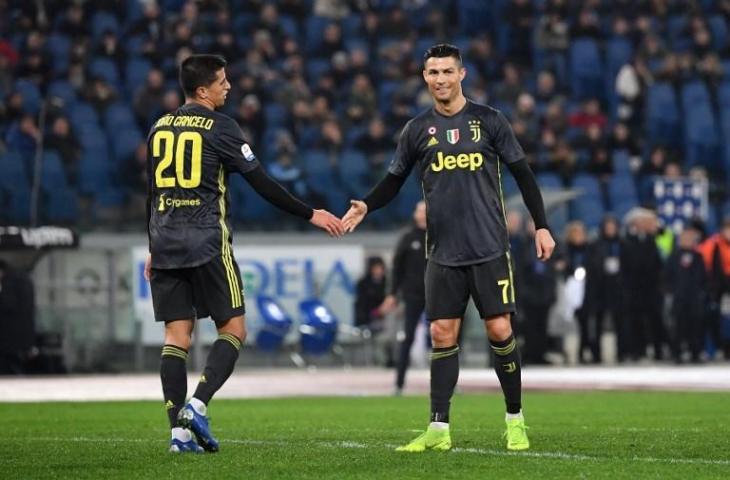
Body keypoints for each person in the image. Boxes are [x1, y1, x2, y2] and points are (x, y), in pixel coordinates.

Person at [342, 44, 555, 452]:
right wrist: (367, 204)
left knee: (500, 329)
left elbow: (524, 175)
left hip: (489, 247)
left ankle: (515, 419)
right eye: (432, 72)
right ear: (424, 77)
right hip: (441, 252)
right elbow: (394, 180)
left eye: (446, 72)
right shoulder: (416, 130)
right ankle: (438, 429)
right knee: (442, 334)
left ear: (462, 74)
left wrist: (541, 225)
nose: (439, 79)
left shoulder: (489, 121)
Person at [145, 54, 343, 454]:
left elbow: (152, 193)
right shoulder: (221, 128)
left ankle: (178, 436)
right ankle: (197, 406)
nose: (228, 87)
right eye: (222, 81)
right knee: (234, 329)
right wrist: (311, 214)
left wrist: (152, 245)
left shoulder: (159, 126)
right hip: (206, 240)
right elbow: (262, 183)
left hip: (164, 240)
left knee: (175, 337)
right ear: (203, 90)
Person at [379, 201, 427, 394]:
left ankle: (449, 383)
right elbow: (397, 269)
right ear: (415, 214)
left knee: (446, 338)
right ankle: (399, 383)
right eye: (420, 210)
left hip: (438, 294)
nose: (423, 214)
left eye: (426, 210)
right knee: (407, 337)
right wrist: (392, 294)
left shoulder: (439, 236)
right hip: (413, 294)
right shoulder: (407, 238)